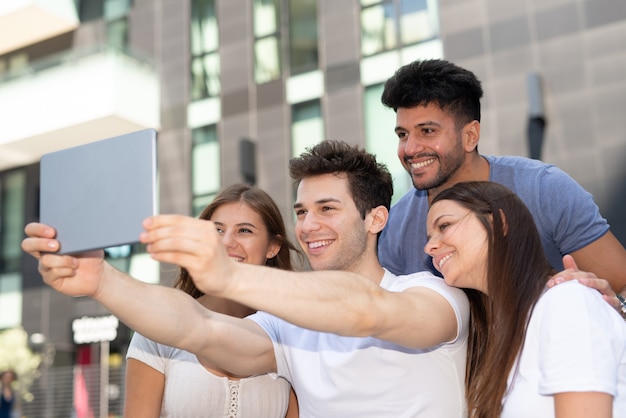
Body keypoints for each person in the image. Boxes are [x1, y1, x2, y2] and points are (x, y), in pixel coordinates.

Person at [22, 140, 470, 417]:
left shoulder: (434, 295)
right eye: (301, 212)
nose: (309, 225)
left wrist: (228, 274)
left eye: (327, 209)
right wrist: (102, 280)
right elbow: (197, 326)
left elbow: (366, 309)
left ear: (376, 219)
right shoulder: (289, 328)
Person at [377, 58, 626, 294]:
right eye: (402, 135)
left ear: (470, 136)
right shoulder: (396, 228)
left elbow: (619, 283)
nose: (410, 149)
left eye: (427, 131)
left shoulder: (543, 189)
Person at [424, 181, 626, 418]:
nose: (429, 247)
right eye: (429, 237)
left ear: (498, 223)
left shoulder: (567, 301)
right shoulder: (493, 338)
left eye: (444, 225)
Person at [124, 184, 300, 417]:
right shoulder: (161, 328)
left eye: (244, 231)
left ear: (273, 247)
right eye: (217, 230)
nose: (227, 242)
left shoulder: (292, 333)